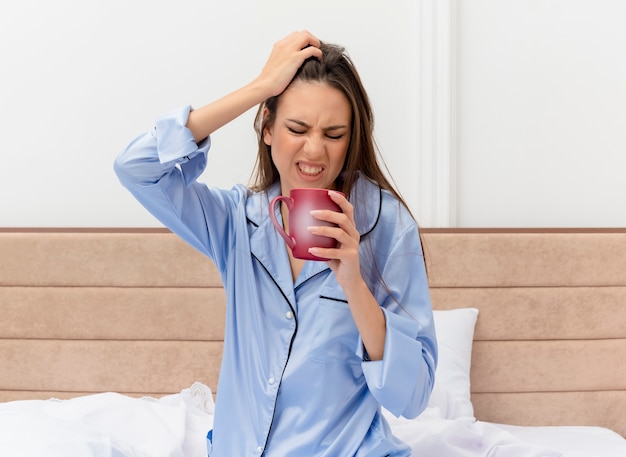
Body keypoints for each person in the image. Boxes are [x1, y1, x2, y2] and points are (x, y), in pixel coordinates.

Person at [115, 30, 437, 457]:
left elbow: (412, 396)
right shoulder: (235, 221)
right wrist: (259, 88)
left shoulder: (385, 225)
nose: (315, 150)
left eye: (334, 134)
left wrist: (354, 285)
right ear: (267, 128)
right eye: (297, 128)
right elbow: (136, 168)